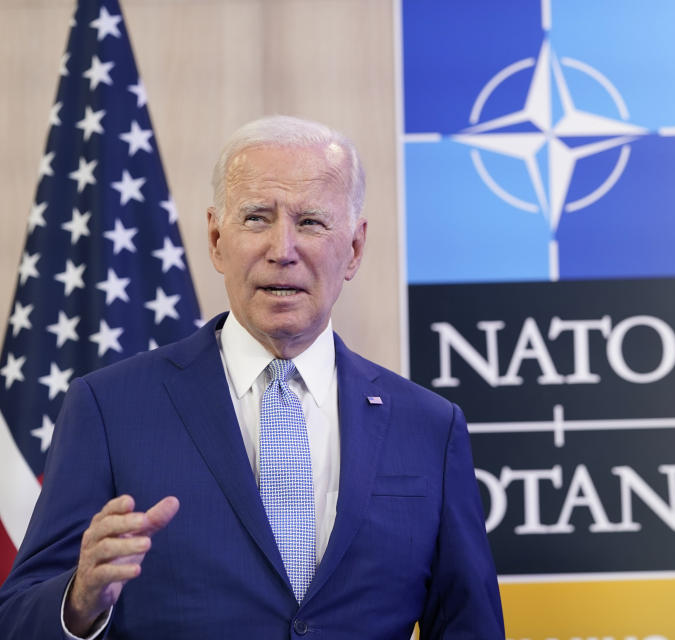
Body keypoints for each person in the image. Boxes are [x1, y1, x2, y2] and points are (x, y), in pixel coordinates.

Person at [0, 115, 505, 639]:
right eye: (258, 218)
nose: (282, 249)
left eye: (310, 222)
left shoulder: (427, 426)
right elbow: (15, 618)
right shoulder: (109, 408)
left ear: (354, 249)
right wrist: (79, 602)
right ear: (217, 238)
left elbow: (471, 628)